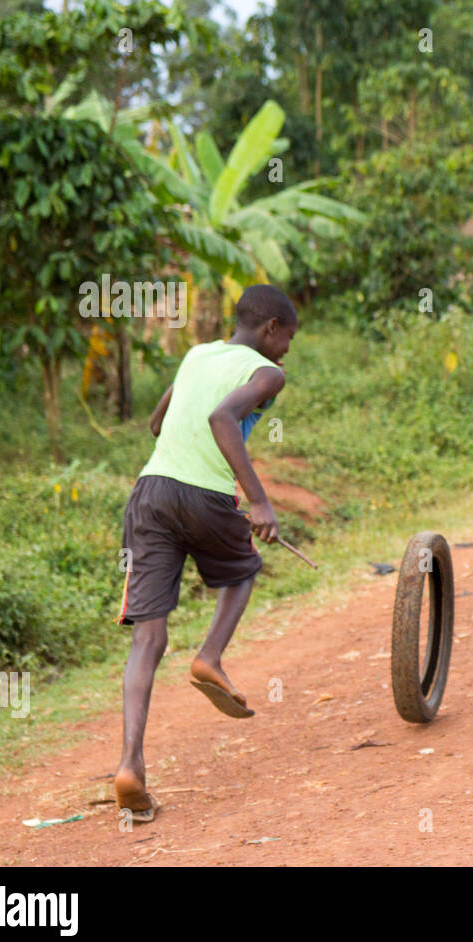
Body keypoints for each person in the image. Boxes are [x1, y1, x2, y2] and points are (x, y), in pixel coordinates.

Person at [114, 284, 298, 822]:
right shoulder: (269, 374)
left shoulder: (196, 354)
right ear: (271, 329)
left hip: (150, 494)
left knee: (147, 638)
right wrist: (260, 502)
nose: (288, 349)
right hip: (206, 494)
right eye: (288, 336)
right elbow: (223, 420)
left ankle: (129, 766)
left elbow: (155, 423)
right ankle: (210, 656)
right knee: (242, 571)